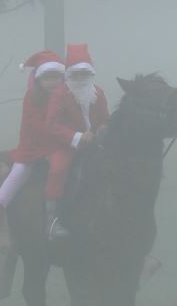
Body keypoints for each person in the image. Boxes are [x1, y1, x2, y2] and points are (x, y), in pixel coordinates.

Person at [0, 50, 66, 238]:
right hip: (35, 145)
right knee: (20, 170)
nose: (52, 82)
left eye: (56, 78)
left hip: (60, 144)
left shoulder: (66, 96)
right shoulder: (32, 98)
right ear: (38, 80)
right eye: (47, 78)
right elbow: (39, 125)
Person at [44, 43, 110, 236]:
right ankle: (51, 219)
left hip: (96, 144)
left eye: (84, 73)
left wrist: (103, 128)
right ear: (69, 75)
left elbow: (105, 119)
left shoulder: (98, 93)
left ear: (90, 74)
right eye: (76, 74)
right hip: (65, 145)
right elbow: (51, 124)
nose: (80, 78)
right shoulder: (60, 94)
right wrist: (78, 137)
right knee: (58, 169)